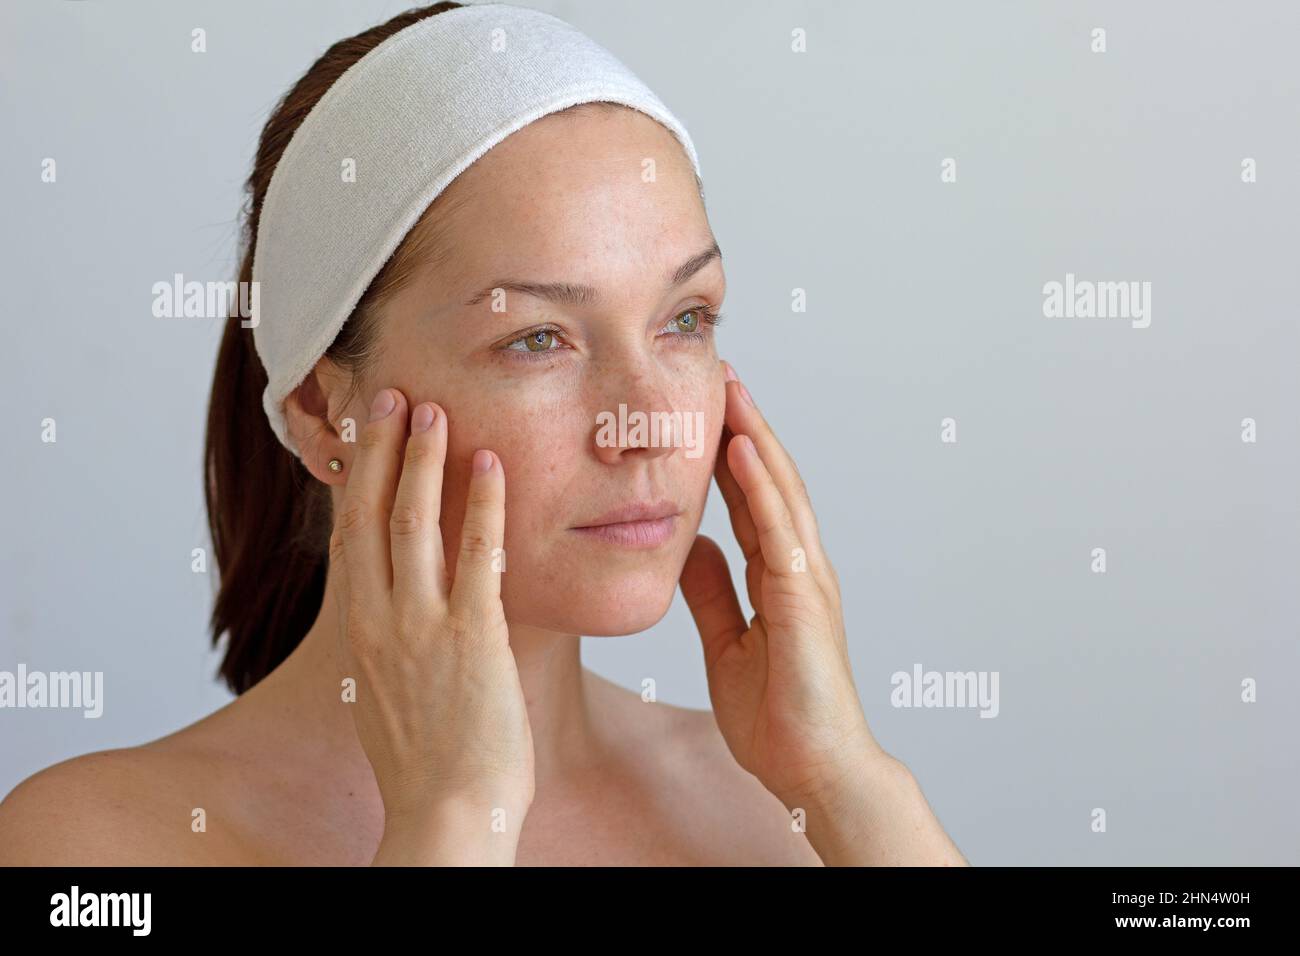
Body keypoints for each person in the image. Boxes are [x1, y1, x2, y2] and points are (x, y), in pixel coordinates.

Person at [0, 1, 967, 866]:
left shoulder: (780, 809)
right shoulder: (96, 844)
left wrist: (851, 788)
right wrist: (452, 823)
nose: (648, 421)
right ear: (313, 408)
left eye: (685, 320)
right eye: (537, 339)